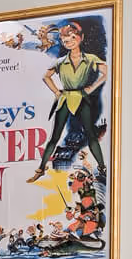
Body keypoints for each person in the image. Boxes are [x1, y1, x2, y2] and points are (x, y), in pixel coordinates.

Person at [28, 20, 109, 183]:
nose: (69, 42)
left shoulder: (90, 58)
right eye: (65, 40)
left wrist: (91, 87)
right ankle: (41, 169)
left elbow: (106, 72)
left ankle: (102, 168)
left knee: (91, 135)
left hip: (81, 97)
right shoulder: (60, 61)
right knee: (55, 136)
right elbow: (46, 77)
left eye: (73, 37)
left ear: (81, 37)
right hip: (65, 99)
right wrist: (57, 92)